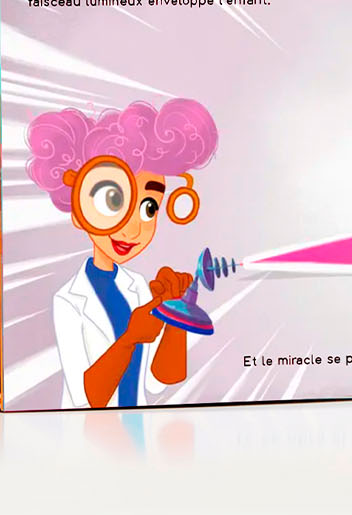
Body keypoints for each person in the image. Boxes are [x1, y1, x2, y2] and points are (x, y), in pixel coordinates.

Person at [26, 98, 218, 407]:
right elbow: (88, 397)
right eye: (113, 201)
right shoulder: (67, 301)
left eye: (148, 207)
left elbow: (160, 380)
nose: (132, 229)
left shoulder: (139, 287)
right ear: (78, 212)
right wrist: (130, 338)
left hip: (138, 429)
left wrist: (176, 313)